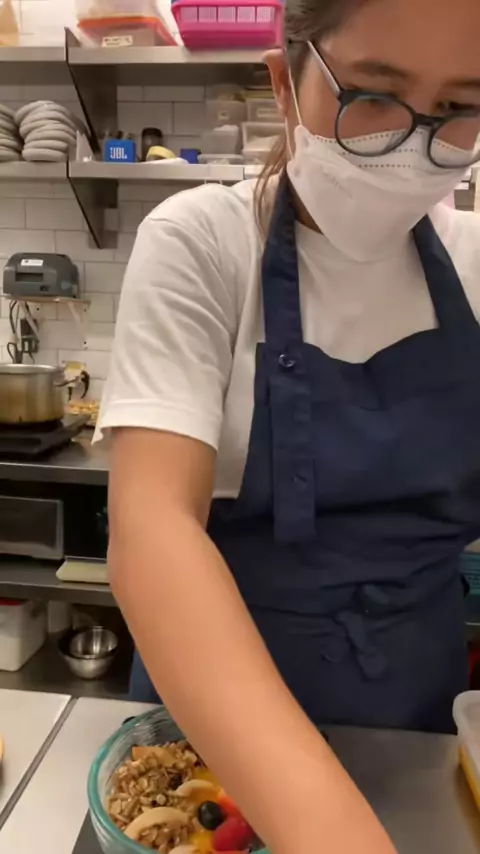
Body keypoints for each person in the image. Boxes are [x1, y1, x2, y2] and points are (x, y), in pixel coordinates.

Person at [96, 0, 480, 850]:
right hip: (209, 747)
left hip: (413, 731)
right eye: (373, 94)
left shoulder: (476, 264)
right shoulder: (203, 243)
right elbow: (153, 532)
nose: (412, 143)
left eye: (459, 106)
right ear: (283, 82)